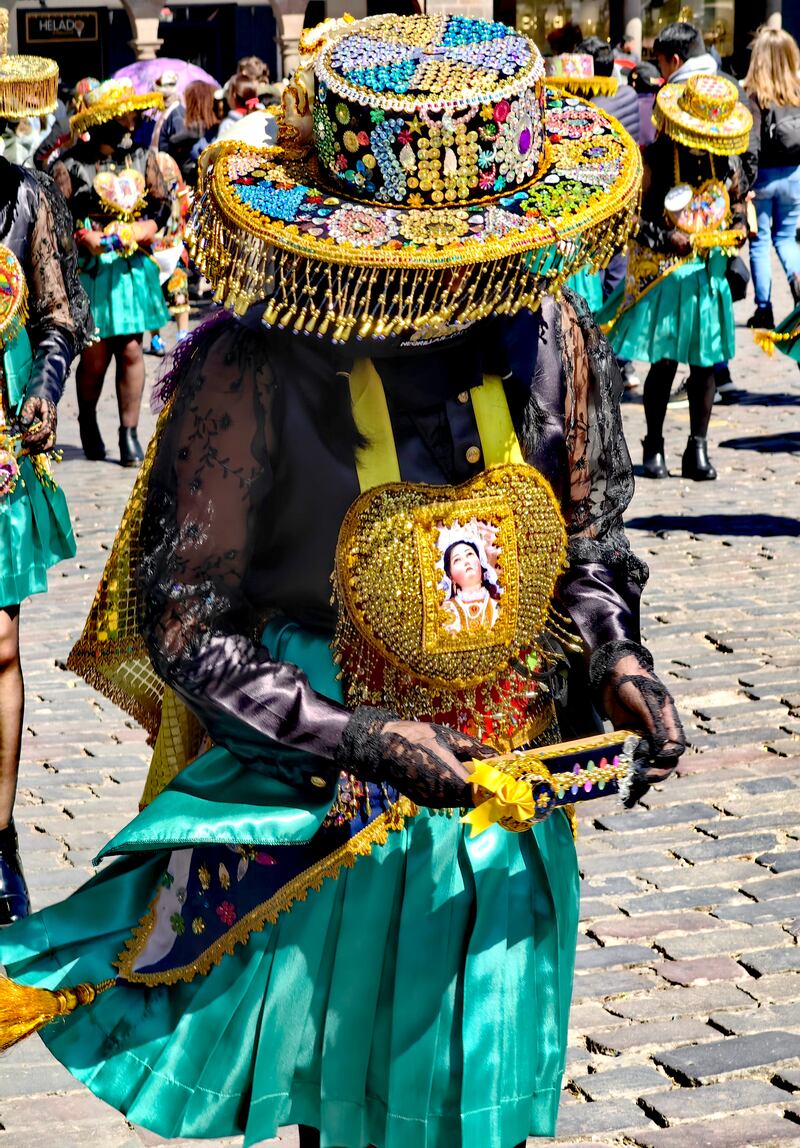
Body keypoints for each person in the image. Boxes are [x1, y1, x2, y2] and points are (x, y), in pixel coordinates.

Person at [0, 16, 685, 1148]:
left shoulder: (550, 330)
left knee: (484, 1096)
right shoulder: (250, 368)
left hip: (505, 795)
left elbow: (585, 547)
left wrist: (616, 658)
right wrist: (359, 733)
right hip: (324, 794)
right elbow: (186, 625)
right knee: (352, 1097)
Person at [0, 27, 84, 923]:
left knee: (1, 642)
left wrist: (48, 392)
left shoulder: (25, 201)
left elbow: (58, 316)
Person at [598, 74, 751, 481]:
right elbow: (634, 219)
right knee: (664, 364)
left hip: (707, 274)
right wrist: (669, 236)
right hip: (666, 277)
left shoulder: (725, 158)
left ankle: (696, 448)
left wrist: (737, 228)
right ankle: (653, 444)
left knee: (705, 366)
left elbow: (736, 204)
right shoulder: (658, 157)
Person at [52, 78, 171, 467]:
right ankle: (87, 419)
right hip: (91, 269)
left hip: (129, 267)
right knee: (96, 354)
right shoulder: (70, 165)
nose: (132, 123)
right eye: (123, 117)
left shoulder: (142, 158)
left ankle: (129, 433)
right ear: (102, 120)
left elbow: (161, 206)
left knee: (132, 347)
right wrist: (81, 237)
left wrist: (144, 228)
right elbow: (54, 220)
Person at [742, 26, 800, 329]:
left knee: (760, 241)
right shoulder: (797, 92)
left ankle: (764, 309)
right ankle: (797, 279)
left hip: (763, 178)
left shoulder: (755, 96)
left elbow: (751, 145)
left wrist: (745, 184)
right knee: (787, 239)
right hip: (794, 176)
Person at [215, 72, 261, 142]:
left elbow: (218, 151)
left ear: (234, 95)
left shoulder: (227, 125)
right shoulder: (260, 116)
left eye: (228, 92)